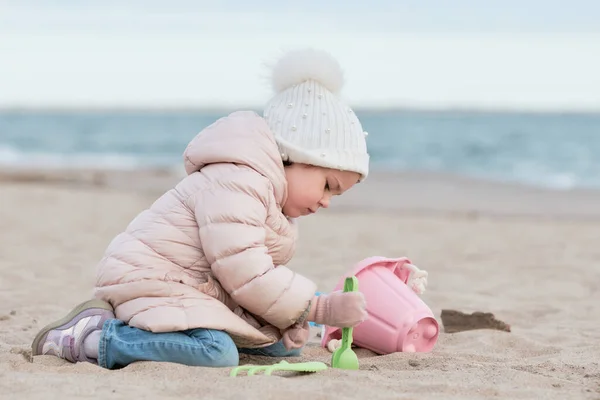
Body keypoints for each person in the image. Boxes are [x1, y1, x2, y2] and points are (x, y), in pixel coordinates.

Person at [31, 48, 372, 369]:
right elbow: (245, 271)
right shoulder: (238, 182)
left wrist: (296, 315)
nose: (326, 201)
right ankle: (91, 338)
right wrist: (319, 306)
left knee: (283, 344)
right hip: (150, 278)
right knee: (216, 353)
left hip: (192, 285)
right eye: (328, 185)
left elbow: (240, 276)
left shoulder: (265, 194)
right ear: (293, 156)